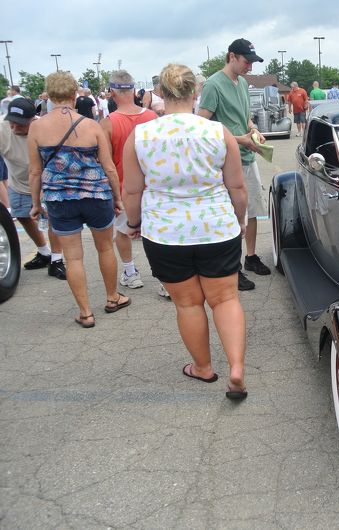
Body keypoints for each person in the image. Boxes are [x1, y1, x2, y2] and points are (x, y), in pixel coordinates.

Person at [122, 63, 249, 400]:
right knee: (225, 299)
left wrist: (133, 224)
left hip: (165, 233)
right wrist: (239, 219)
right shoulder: (218, 132)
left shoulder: (141, 136)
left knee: (189, 304)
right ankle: (236, 367)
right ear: (195, 92)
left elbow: (132, 191)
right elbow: (237, 187)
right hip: (216, 227)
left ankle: (203, 368)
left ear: (161, 93)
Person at [27, 70, 129, 328]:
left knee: (72, 258)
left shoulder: (37, 127)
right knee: (105, 248)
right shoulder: (91, 126)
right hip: (96, 195)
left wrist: (36, 204)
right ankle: (112, 297)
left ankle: (85, 312)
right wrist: (117, 198)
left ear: (50, 95)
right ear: (74, 94)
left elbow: (35, 171)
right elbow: (108, 167)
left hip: (59, 198)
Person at [198, 37, 270, 291]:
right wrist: (239, 139)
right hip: (226, 160)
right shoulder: (213, 85)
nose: (250, 66)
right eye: (246, 61)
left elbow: (245, 117)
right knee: (233, 214)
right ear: (231, 57)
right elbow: (202, 125)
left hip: (248, 156)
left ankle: (250, 256)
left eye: (252, 62)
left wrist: (254, 130)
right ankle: (232, 266)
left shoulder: (242, 83)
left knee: (253, 209)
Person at [100, 70, 158, 291]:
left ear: (112, 93)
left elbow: (106, 163)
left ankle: (131, 272)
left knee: (123, 231)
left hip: (124, 188)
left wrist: (114, 194)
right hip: (153, 187)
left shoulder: (108, 123)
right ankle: (164, 279)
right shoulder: (152, 118)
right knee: (155, 234)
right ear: (134, 90)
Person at [0, 98, 66, 279]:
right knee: (22, 216)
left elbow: (56, 162)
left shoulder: (46, 130)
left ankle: (56, 260)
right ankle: (44, 252)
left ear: (32, 119)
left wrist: (44, 189)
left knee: (53, 218)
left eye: (20, 124)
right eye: (12, 122)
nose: (14, 128)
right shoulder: (2, 129)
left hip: (46, 181)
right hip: (18, 182)